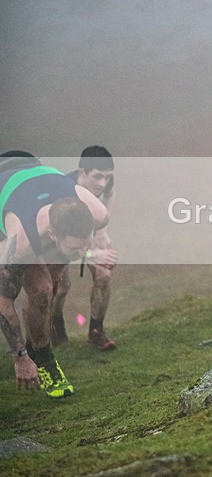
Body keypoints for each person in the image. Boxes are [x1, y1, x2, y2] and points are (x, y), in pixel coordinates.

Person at [0, 152, 116, 398]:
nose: (83, 254)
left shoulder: (98, 214)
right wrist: (20, 358)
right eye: (75, 248)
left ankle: (37, 344)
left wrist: (93, 246)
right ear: (53, 236)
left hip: (33, 168)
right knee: (41, 290)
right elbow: (3, 302)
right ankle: (44, 361)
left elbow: (106, 198)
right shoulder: (19, 243)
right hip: (9, 195)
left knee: (53, 284)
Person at [51, 146, 118, 350]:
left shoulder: (106, 182)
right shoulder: (63, 191)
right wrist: (92, 254)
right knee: (62, 287)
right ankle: (55, 324)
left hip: (89, 232)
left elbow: (110, 195)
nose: (103, 183)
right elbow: (64, 245)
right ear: (82, 172)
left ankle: (96, 331)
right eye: (97, 177)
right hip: (63, 240)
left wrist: (101, 231)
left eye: (107, 177)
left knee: (104, 275)